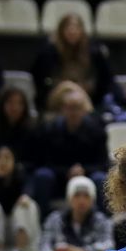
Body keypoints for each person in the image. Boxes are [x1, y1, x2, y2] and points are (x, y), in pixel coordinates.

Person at [31, 88, 108, 218]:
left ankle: (103, 222)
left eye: (77, 108)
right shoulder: (50, 129)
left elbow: (103, 164)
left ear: (84, 110)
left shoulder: (97, 130)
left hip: (87, 177)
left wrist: (83, 170)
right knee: (42, 175)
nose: (74, 112)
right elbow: (43, 162)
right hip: (59, 179)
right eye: (70, 108)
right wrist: (67, 171)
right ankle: (43, 220)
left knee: (100, 178)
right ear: (63, 109)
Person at [32, 13, 113, 111]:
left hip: (86, 96)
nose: (72, 32)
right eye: (68, 28)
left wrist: (85, 87)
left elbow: (104, 78)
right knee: (68, 89)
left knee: (78, 98)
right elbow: (41, 79)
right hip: (57, 96)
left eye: (76, 28)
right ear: (61, 30)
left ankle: (88, 114)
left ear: (82, 31)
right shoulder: (48, 52)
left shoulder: (93, 52)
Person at [0, 146, 41, 251]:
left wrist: (25, 196)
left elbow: (29, 188)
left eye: (7, 158)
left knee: (26, 205)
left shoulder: (21, 174)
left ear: (14, 161)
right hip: (0, 230)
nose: (2, 162)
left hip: (17, 228)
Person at [0, 87, 38, 172]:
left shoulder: (32, 130)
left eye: (19, 103)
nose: (15, 107)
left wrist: (13, 166)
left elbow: (35, 161)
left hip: (21, 172)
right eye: (10, 102)